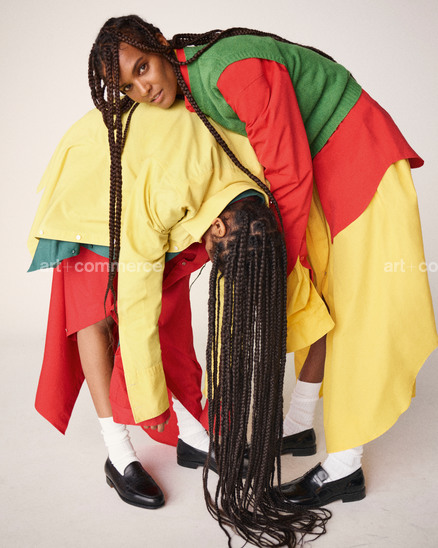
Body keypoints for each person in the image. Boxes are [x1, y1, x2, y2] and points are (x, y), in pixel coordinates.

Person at [88, 15, 438, 508]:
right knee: (320, 295)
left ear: (161, 44)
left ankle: (345, 468)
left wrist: (279, 264)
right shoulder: (188, 86)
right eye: (127, 86)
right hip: (325, 163)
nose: (142, 89)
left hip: (358, 155)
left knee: (357, 308)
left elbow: (288, 173)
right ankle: (298, 426)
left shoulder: (233, 71)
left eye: (142, 67)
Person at [29, 100, 332, 546]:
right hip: (93, 182)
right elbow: (135, 309)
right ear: (218, 229)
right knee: (94, 313)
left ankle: (192, 435)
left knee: (168, 309)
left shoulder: (256, 190)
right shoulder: (166, 194)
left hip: (149, 176)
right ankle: (118, 453)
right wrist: (148, 399)